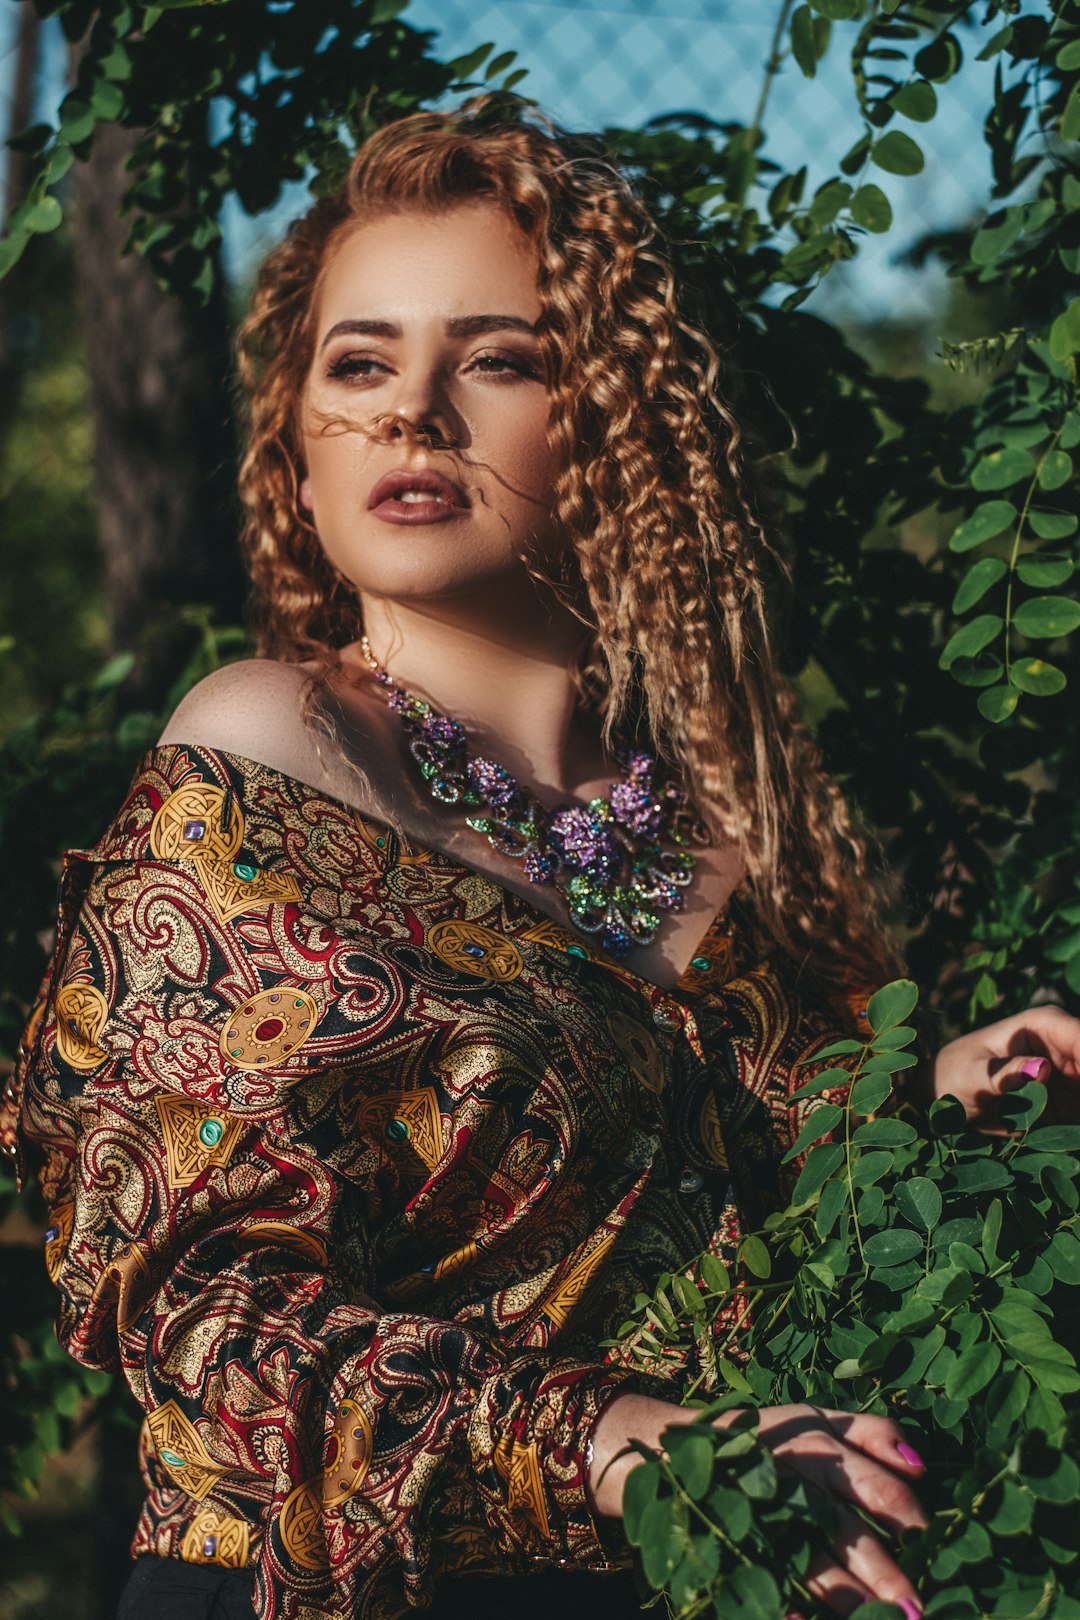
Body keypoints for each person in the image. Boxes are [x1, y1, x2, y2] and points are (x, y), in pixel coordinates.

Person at [5, 97, 1079, 1620]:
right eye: (359, 361)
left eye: (496, 357)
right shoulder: (268, 744)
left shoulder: (737, 821)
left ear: (617, 427)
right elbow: (193, 1303)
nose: (410, 411)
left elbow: (763, 1242)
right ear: (298, 448)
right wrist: (600, 1438)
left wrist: (940, 1096)